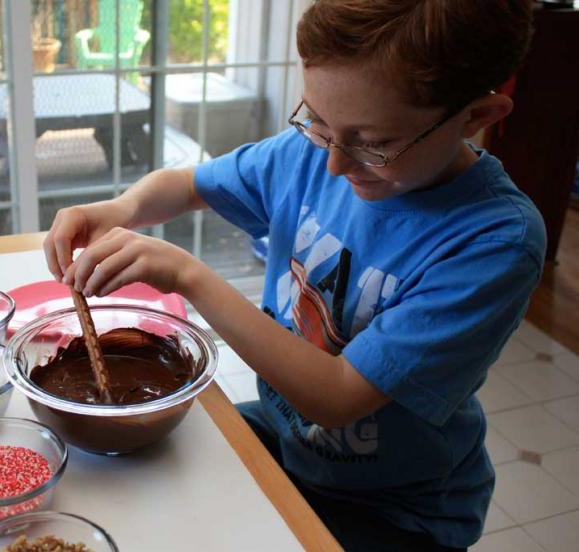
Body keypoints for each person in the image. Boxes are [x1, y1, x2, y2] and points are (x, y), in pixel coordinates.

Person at [42, 1, 544, 550]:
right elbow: (188, 185)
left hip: (398, 507)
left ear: (477, 116)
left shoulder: (493, 242)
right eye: (318, 120)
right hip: (289, 441)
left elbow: (336, 395)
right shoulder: (311, 153)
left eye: (374, 143)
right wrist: (121, 208)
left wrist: (189, 275)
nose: (335, 163)